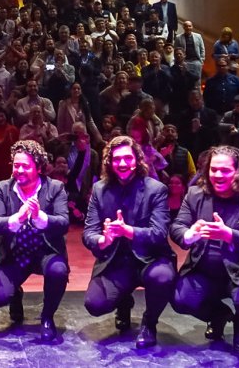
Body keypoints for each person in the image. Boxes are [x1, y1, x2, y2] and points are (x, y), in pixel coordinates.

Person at [170, 146, 239, 353]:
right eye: (213, 169)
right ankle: (218, 316)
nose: (218, 175)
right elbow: (177, 226)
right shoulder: (194, 194)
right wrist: (188, 235)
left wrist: (228, 234)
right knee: (181, 299)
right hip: (204, 271)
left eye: (225, 170)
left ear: (238, 171)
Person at [81, 136, 176, 349]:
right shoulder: (99, 189)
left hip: (150, 259)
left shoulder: (156, 189)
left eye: (127, 158)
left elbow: (160, 233)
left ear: (137, 160)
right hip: (116, 261)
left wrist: (128, 231)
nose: (122, 164)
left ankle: (149, 324)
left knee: (162, 278)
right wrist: (103, 240)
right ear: (109, 162)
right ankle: (123, 301)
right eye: (116, 159)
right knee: (94, 305)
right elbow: (89, 233)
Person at [0, 139, 70, 342]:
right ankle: (15, 294)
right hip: (15, 253)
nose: (19, 170)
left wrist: (41, 218)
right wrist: (18, 218)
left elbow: (64, 222)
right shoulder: (2, 188)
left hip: (45, 251)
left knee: (58, 271)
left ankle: (47, 317)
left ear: (39, 167)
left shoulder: (55, 187)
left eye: (25, 165)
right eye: (16, 165)